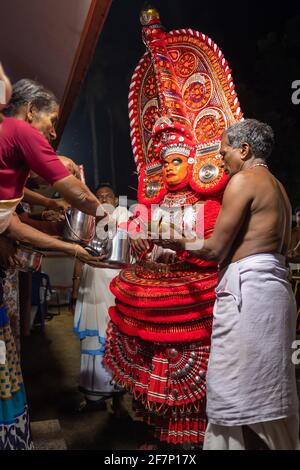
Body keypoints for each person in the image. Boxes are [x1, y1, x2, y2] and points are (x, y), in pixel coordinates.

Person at [104, 7, 243, 448]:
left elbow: (207, 246)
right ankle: (157, 431)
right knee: (148, 364)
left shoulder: (215, 200)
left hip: (193, 295)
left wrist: (170, 242)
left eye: (177, 160)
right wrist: (143, 237)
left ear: (197, 159)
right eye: (162, 161)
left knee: (191, 373)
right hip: (155, 292)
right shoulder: (158, 198)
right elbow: (145, 242)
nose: (168, 168)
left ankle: (192, 439)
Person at [154, 119, 300, 450]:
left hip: (250, 295)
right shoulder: (279, 188)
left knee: (233, 386)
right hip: (274, 292)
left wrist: (172, 239)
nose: (221, 160)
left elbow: (214, 249)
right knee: (270, 383)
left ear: (244, 150)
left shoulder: (243, 180)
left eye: (224, 152)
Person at [0, 72, 105, 449]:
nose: (54, 132)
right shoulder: (19, 130)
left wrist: (49, 207)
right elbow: (72, 191)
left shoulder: (7, 137)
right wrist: (107, 213)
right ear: (30, 111)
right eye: (53, 121)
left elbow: (13, 216)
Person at [73, 183, 129, 414]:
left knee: (114, 338)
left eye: (108, 195)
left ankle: (117, 398)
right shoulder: (88, 219)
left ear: (116, 200)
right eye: (99, 196)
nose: (104, 199)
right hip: (92, 285)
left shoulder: (123, 215)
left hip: (114, 286)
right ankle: (93, 396)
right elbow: (78, 253)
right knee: (93, 339)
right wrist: (75, 284)